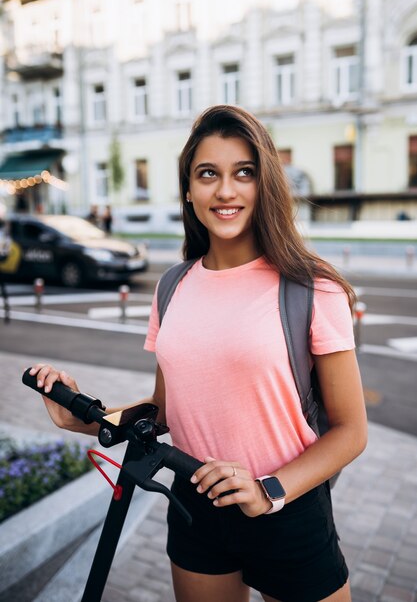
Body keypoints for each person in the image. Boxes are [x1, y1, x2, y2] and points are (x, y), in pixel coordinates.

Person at [29, 105, 367, 602]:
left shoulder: (311, 287)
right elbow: (166, 411)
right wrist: (84, 415)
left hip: (286, 508)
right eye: (208, 174)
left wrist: (267, 490)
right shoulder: (173, 286)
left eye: (243, 173)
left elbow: (351, 431)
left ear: (264, 183)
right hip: (194, 504)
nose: (225, 191)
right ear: (188, 188)